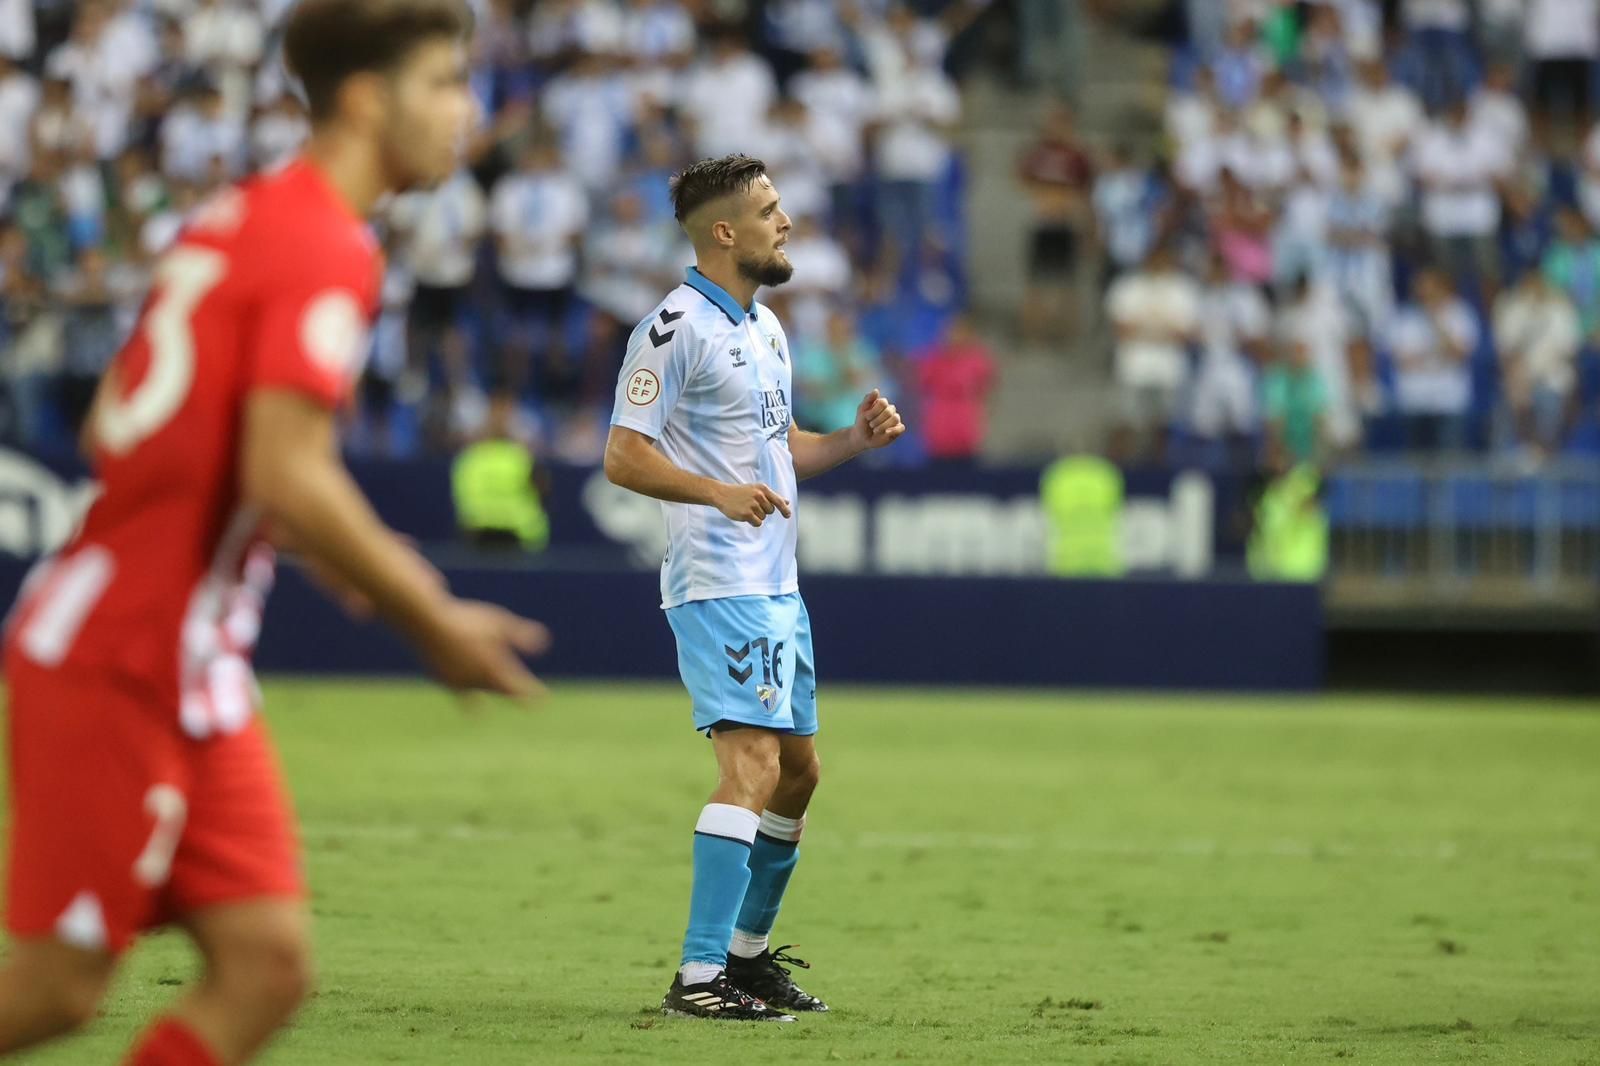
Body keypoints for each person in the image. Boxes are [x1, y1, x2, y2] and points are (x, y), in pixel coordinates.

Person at [0, 4, 549, 1064]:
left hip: (189, 656)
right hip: (125, 650)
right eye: (442, 83)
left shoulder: (244, 217)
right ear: (363, 98)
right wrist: (428, 620)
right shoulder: (323, 245)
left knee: (265, 965)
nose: (463, 112)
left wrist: (305, 542)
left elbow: (154, 429)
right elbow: (285, 470)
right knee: (61, 986)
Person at [603, 155, 905, 1022]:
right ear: (724, 232)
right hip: (717, 579)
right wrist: (716, 492)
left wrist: (850, 440)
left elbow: (781, 449)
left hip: (777, 584)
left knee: (800, 774)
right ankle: (700, 978)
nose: (787, 222)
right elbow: (624, 455)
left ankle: (746, 958)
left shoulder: (765, 328)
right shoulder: (672, 329)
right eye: (771, 211)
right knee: (753, 766)